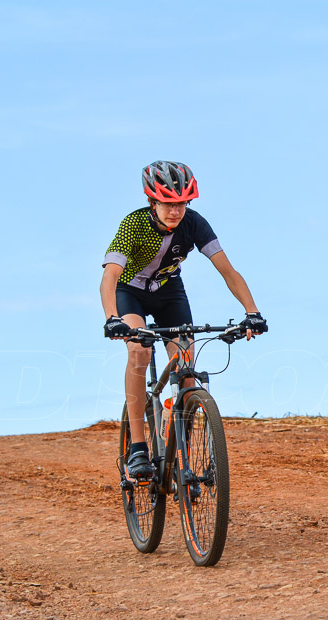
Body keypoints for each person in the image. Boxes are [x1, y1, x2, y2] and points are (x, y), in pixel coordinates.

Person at [100, 161, 267, 480]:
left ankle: (183, 457)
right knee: (140, 351)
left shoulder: (195, 224)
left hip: (168, 292)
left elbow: (228, 272)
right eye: (168, 203)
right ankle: (138, 447)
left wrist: (252, 312)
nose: (175, 211)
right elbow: (109, 279)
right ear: (152, 201)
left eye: (181, 203)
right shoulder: (133, 225)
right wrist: (112, 318)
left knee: (186, 367)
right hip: (129, 291)